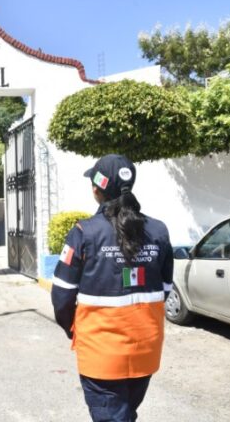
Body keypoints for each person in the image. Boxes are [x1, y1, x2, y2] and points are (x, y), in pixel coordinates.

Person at [51, 154, 173, 422]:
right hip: (146, 349)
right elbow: (165, 288)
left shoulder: (84, 232)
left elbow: (61, 295)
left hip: (101, 353)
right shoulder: (159, 230)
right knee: (126, 413)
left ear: (97, 189)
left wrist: (75, 329)